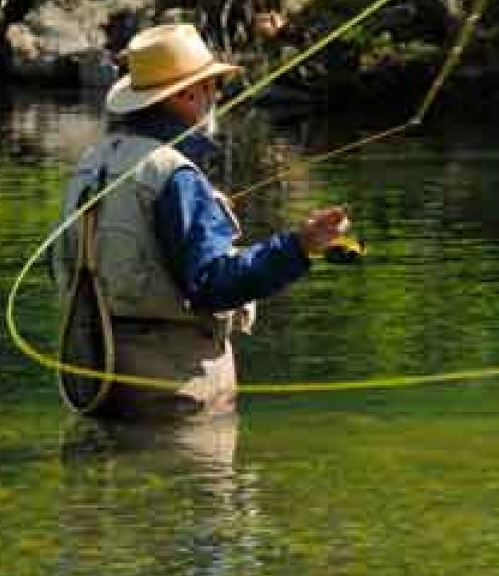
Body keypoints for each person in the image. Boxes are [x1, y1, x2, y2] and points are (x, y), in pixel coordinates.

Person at [53, 23, 348, 421]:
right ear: (188, 94)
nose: (216, 96)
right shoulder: (174, 174)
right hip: (173, 384)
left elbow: (62, 267)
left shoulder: (93, 162)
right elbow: (215, 285)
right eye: (211, 86)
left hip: (92, 374)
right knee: (193, 481)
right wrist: (299, 246)